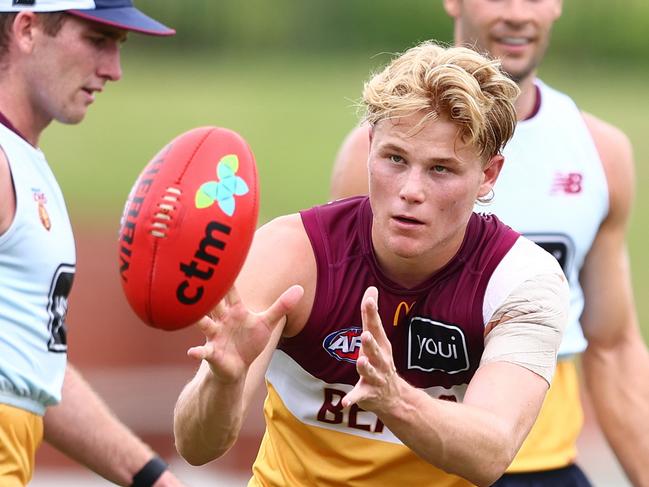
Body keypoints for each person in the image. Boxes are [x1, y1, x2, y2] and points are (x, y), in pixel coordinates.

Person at [173, 40, 570, 487]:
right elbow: (197, 447)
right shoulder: (290, 253)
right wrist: (222, 383)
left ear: (488, 175)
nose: (411, 190)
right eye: (395, 159)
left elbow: (490, 453)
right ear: (369, 147)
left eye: (441, 169)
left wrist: (394, 399)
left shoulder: (521, 281)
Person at [329, 1, 649, 486]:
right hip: (416, 469)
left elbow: (611, 345)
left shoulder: (600, 152)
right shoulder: (378, 156)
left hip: (544, 467)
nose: (519, 13)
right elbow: (344, 333)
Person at [0, 2, 185, 486]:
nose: (114, 70)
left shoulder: (23, 160)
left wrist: (150, 478)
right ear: (26, 29)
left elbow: (33, 370)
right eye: (97, 40)